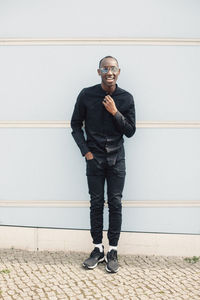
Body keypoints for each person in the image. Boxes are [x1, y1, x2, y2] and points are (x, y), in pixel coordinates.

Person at [71, 56, 136, 273]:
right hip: (95, 159)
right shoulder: (87, 95)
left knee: (115, 203)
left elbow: (130, 131)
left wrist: (115, 112)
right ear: (99, 72)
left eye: (113, 68)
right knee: (96, 203)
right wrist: (86, 152)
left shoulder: (126, 98)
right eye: (105, 68)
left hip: (117, 160)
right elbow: (75, 125)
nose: (109, 72)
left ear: (119, 71)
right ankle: (98, 249)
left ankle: (113, 251)